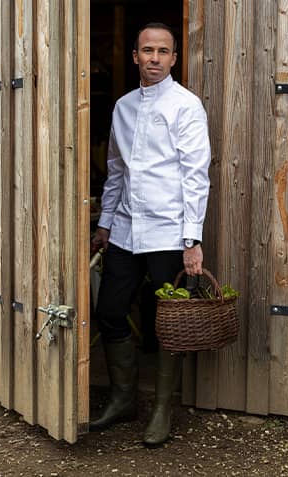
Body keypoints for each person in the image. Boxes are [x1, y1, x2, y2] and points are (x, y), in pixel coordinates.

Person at [88, 22, 211, 446]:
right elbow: (117, 170)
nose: (154, 58)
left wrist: (192, 240)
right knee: (109, 310)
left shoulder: (186, 106)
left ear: (174, 58)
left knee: (168, 324)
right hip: (124, 230)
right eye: (147, 51)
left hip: (167, 233)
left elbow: (196, 175)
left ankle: (161, 410)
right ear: (136, 56)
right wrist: (104, 224)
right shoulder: (121, 107)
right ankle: (123, 401)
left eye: (162, 51)